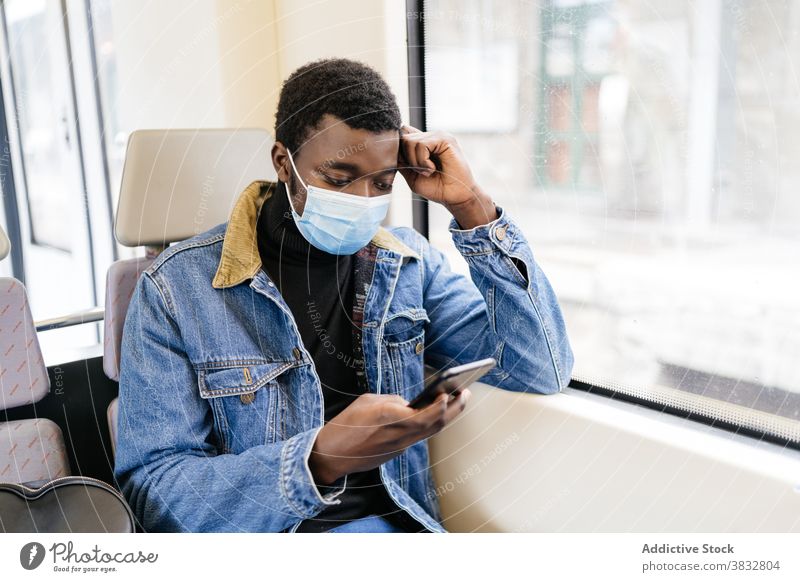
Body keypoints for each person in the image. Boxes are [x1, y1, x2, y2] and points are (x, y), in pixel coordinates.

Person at [113, 57, 574, 533]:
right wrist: (320, 459)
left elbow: (542, 367)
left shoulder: (407, 266)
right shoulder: (174, 292)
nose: (359, 200)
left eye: (380, 184)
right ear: (282, 163)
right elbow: (156, 494)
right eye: (337, 179)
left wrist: (470, 203)